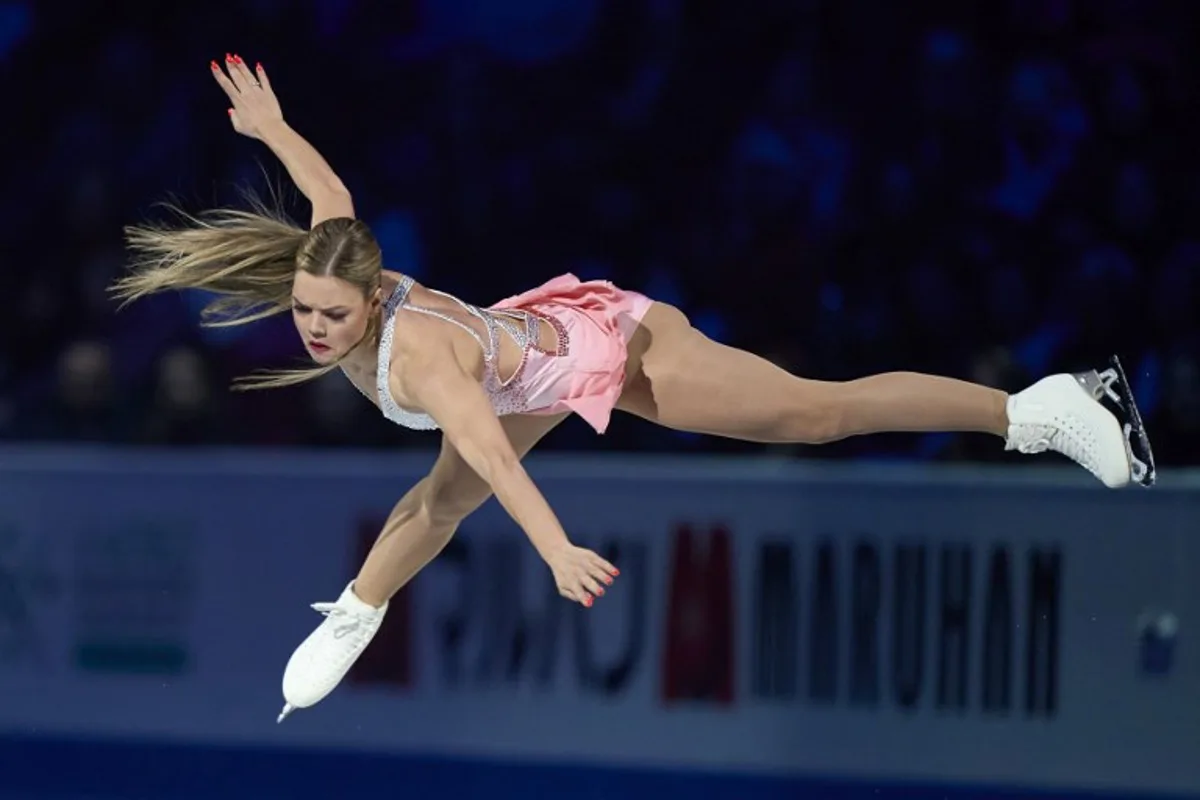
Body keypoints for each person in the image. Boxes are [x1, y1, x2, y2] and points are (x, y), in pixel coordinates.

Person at [112, 55, 1156, 723]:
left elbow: (482, 447)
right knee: (428, 503)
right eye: (305, 309)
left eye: (331, 316)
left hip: (613, 345)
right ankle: (353, 612)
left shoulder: (420, 351)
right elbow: (329, 196)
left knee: (814, 411)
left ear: (375, 296)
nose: (312, 327)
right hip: (532, 371)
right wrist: (272, 129)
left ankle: (1047, 407)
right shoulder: (337, 256)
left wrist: (555, 545)